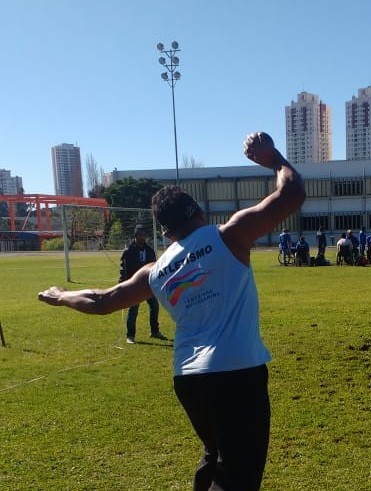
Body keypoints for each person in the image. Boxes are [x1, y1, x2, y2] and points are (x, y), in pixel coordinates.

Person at [38, 132, 306, 491]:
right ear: (197, 211)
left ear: (164, 231)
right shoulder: (229, 235)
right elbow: (291, 194)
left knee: (214, 455)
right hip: (236, 371)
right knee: (237, 476)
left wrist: (61, 295)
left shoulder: (155, 270)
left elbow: (102, 301)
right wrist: (274, 160)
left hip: (188, 379)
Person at [119, 224, 165, 344]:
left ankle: (155, 331)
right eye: (140, 234)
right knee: (133, 310)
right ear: (135, 235)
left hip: (149, 285)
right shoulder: (128, 251)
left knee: (154, 307)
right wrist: (122, 284)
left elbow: (154, 267)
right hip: (133, 285)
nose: (142, 237)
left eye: (144, 235)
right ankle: (130, 336)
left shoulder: (149, 251)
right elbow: (123, 270)